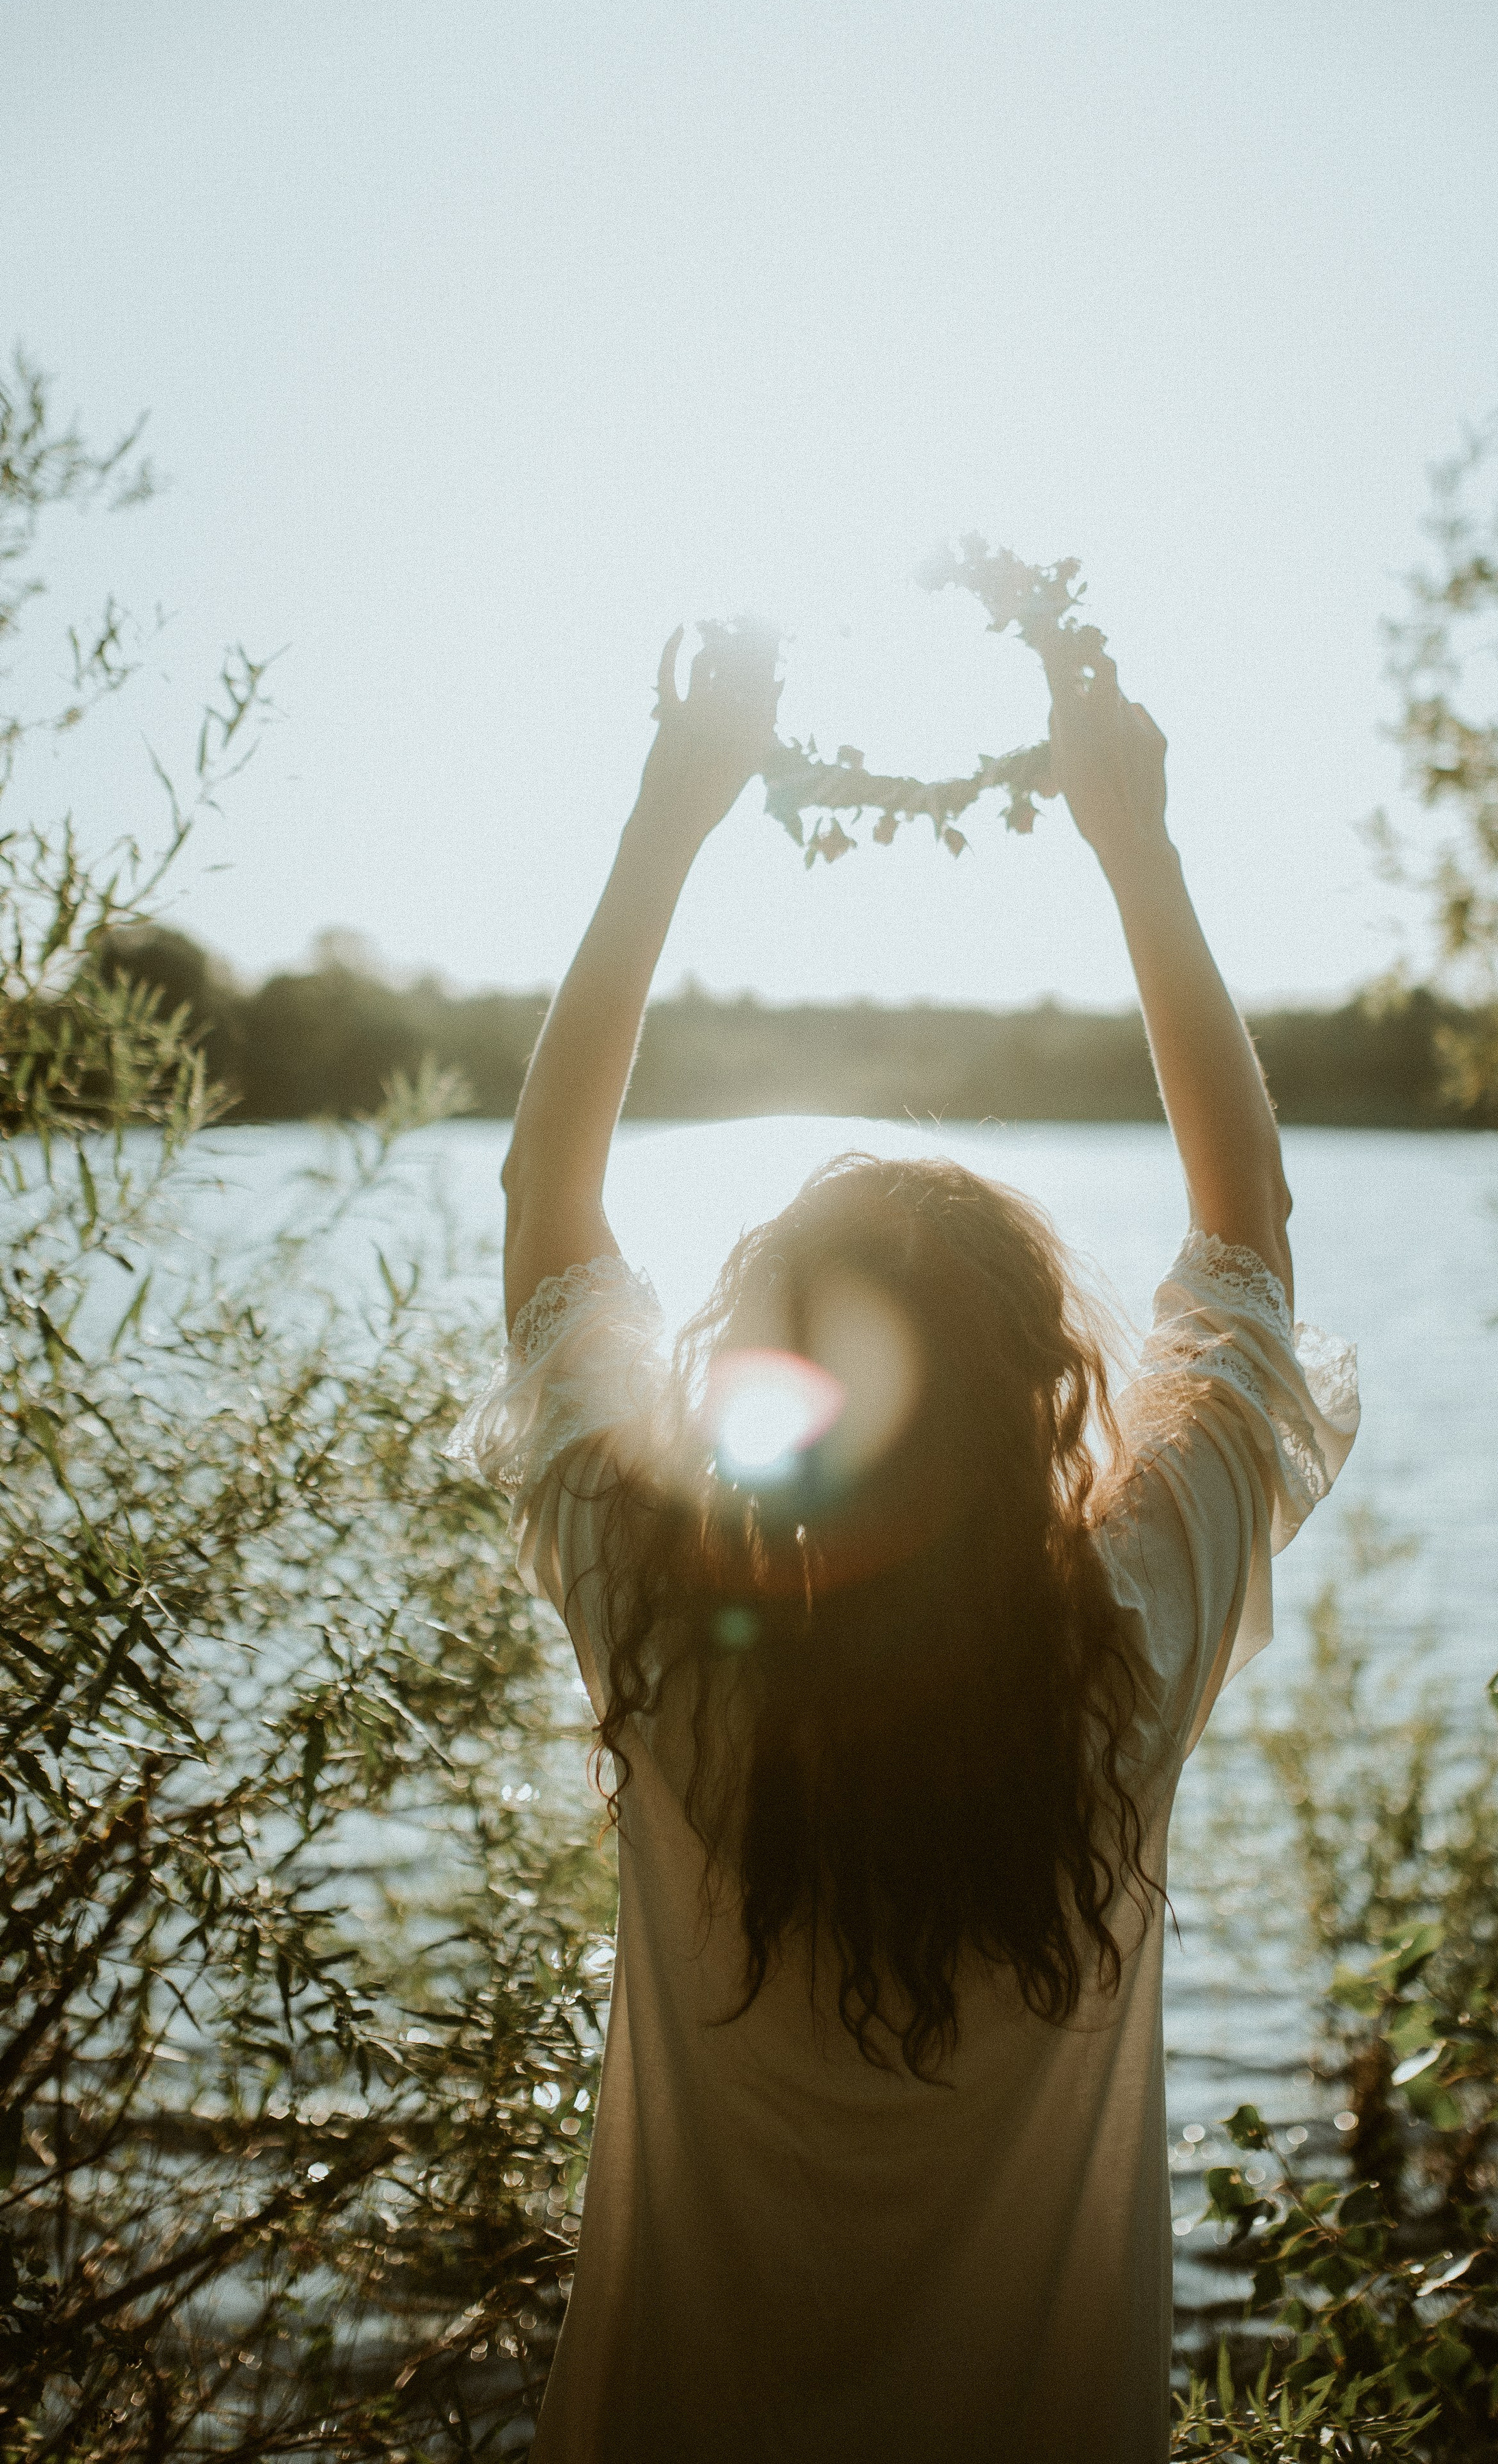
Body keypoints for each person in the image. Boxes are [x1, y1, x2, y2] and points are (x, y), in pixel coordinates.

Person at [448, 618, 1358, 2461]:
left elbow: (550, 1209)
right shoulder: (1131, 1647)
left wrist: (669, 813)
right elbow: (1246, 1230)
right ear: (1042, 1403)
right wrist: (1135, 840)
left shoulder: (664, 1636)